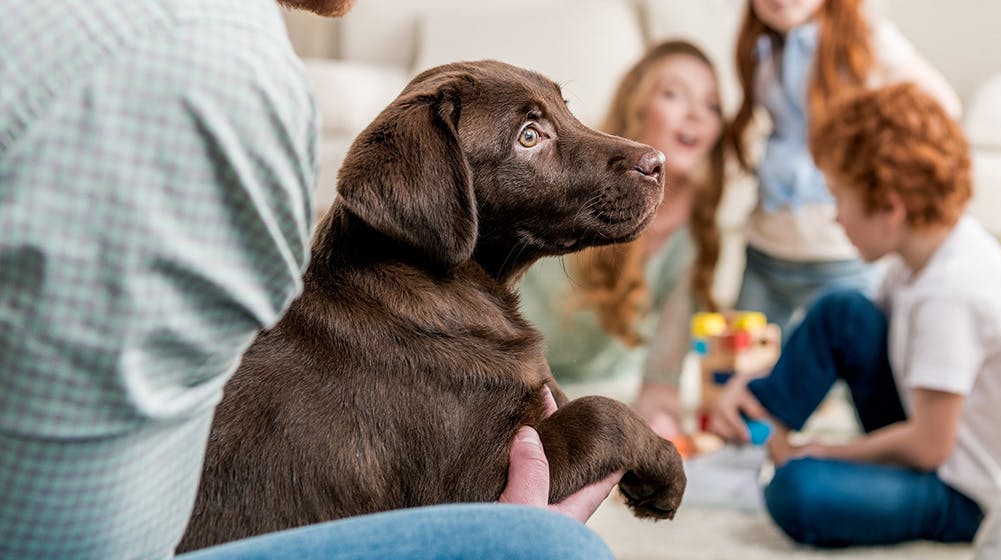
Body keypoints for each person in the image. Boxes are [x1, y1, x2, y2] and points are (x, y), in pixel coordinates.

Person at [0, 1, 616, 558]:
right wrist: (523, 541)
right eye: (534, 134)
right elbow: (75, 535)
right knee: (555, 547)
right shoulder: (214, 54)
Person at [711, 84, 1001, 546]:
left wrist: (827, 452)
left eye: (839, 199)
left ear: (891, 209)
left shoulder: (952, 292)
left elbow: (929, 447)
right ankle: (761, 424)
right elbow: (845, 334)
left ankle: (782, 460)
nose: (835, 217)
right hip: (936, 436)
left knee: (797, 491)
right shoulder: (921, 255)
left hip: (967, 491)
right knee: (841, 311)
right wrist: (756, 382)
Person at [519, 40, 727, 438]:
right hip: (522, 382)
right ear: (637, 106)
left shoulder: (695, 233)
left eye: (712, 104)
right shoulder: (567, 189)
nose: (697, 114)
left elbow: (662, 379)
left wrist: (660, 417)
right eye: (674, 94)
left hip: (606, 390)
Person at [728, 0, 961, 330]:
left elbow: (942, 105)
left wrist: (871, 157)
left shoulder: (869, 40)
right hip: (768, 249)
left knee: (845, 362)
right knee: (741, 358)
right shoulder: (764, 48)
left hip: (836, 252)